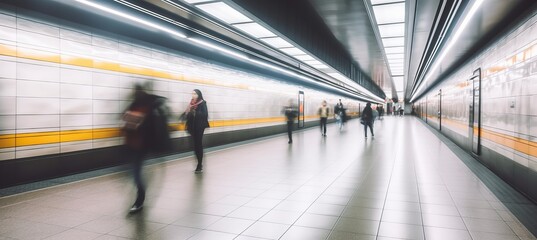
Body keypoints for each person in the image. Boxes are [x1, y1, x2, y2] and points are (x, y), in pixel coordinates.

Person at [122, 84, 162, 213]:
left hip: (141, 145)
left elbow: (145, 126)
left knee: (136, 173)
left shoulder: (147, 106)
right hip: (132, 143)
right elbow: (126, 119)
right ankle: (140, 194)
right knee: (134, 172)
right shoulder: (134, 104)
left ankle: (140, 200)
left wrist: (134, 121)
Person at [184, 89, 209, 173]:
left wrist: (195, 112)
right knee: (195, 146)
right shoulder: (191, 103)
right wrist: (185, 115)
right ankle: (199, 161)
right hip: (191, 127)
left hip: (199, 127)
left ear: (199, 94)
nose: (193, 95)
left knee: (198, 144)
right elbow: (186, 113)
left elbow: (205, 114)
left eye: (195, 93)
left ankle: (199, 164)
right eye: (192, 93)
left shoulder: (202, 103)